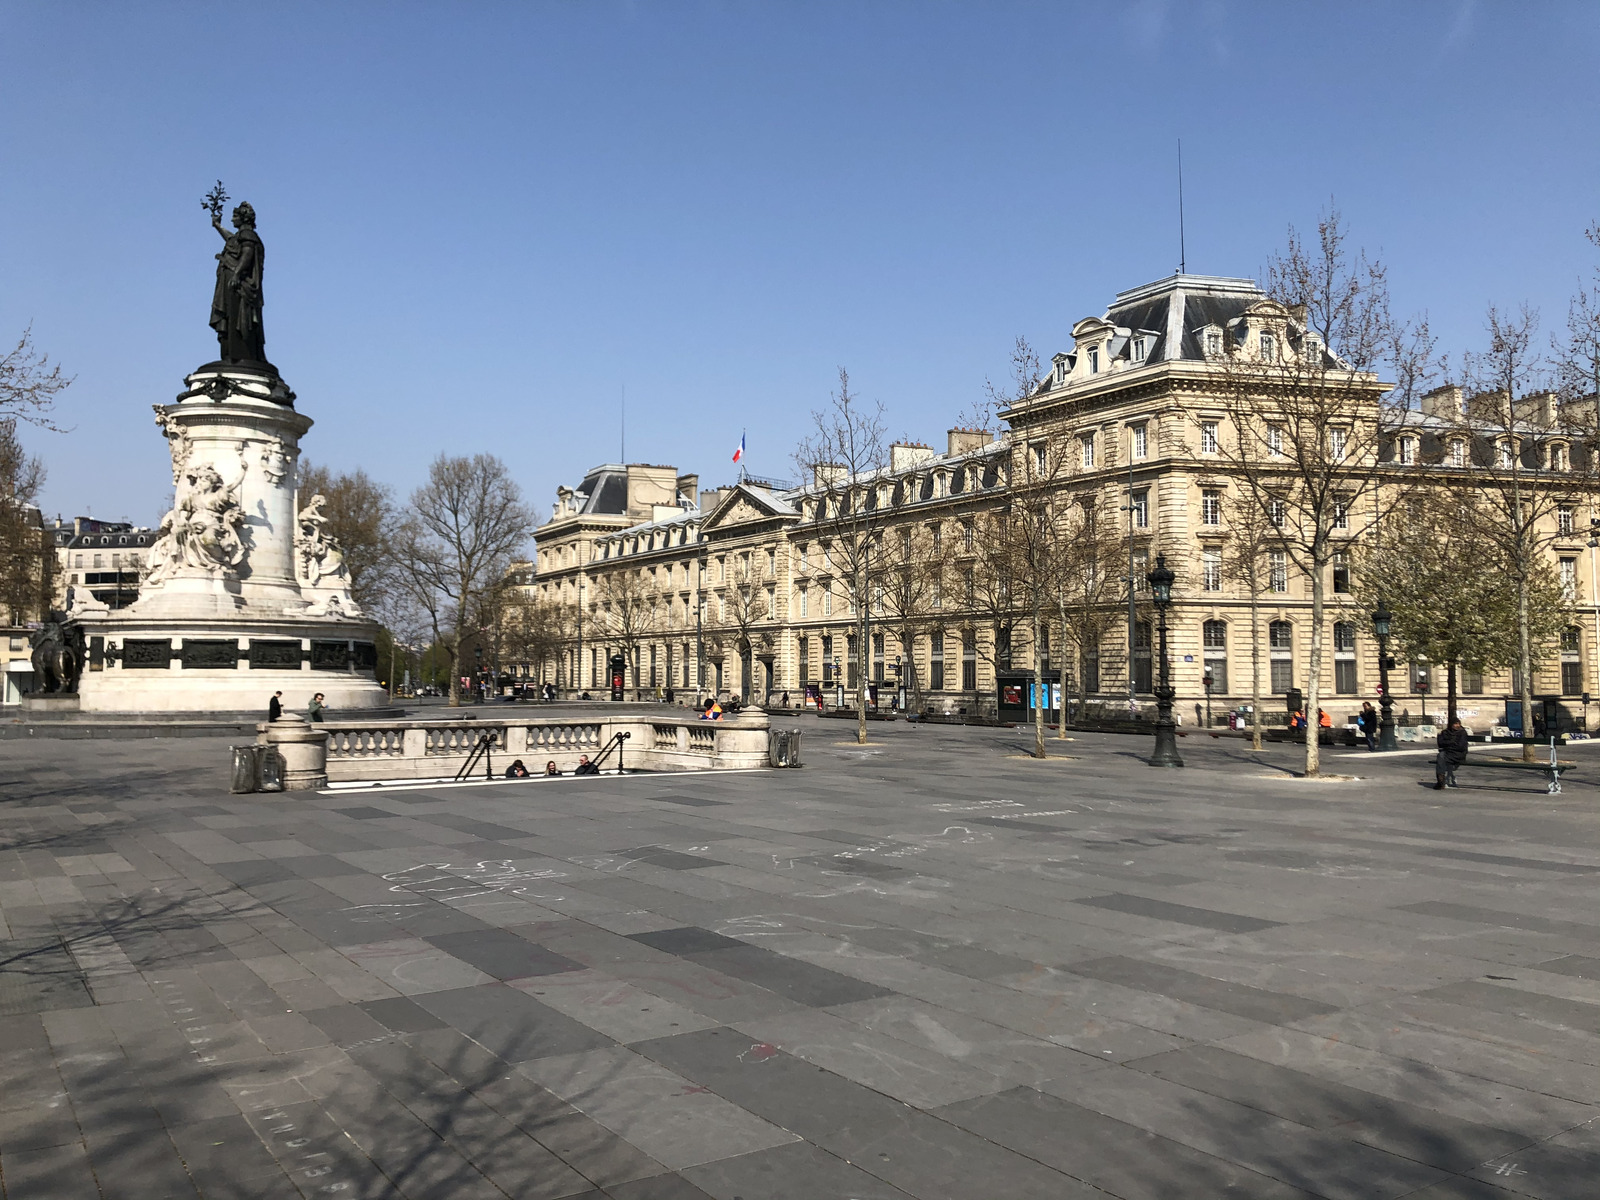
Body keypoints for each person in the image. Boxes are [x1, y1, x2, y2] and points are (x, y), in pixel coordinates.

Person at [1435, 718, 1469, 789]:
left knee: (1441, 757)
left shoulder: (1462, 733)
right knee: (1441, 756)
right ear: (1451, 725)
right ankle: (1441, 780)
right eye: (1455, 724)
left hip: (1458, 754)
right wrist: (1451, 743)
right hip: (1448, 753)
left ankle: (1441, 780)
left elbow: (1461, 746)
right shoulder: (1445, 732)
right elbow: (1441, 743)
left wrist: (1448, 745)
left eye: (1458, 724)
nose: (1457, 725)